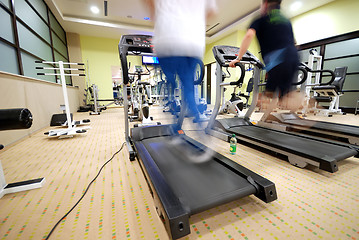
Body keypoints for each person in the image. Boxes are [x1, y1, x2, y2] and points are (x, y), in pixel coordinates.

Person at [144, 0, 217, 163]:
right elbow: (211, 12)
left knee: (170, 85)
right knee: (189, 90)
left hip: (168, 40)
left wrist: (158, 18)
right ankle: (199, 131)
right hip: (193, 44)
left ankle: (175, 128)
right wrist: (194, 20)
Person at [229, 0, 302, 120]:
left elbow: (249, 35)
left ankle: (265, 105)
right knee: (286, 94)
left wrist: (238, 58)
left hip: (277, 58)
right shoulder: (286, 20)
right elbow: (294, 42)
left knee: (267, 94)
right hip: (294, 56)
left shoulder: (260, 19)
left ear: (265, 4)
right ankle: (301, 101)